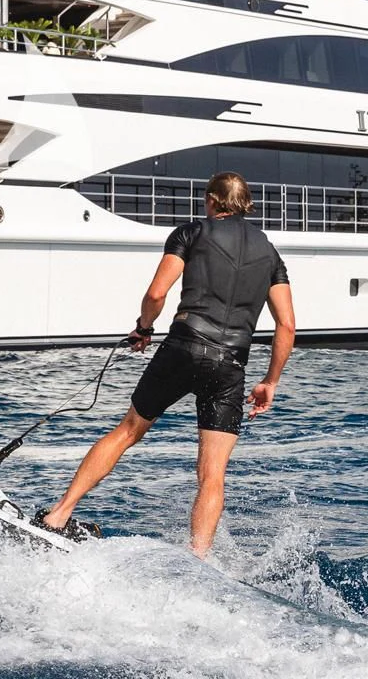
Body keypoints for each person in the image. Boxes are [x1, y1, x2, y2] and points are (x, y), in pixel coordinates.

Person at [36, 171, 295, 557]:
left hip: (183, 348)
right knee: (212, 475)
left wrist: (143, 328)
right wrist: (270, 381)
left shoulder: (192, 233)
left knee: (128, 431)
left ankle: (58, 515)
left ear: (212, 200)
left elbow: (157, 293)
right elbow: (286, 325)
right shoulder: (270, 254)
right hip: (230, 365)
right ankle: (199, 561)